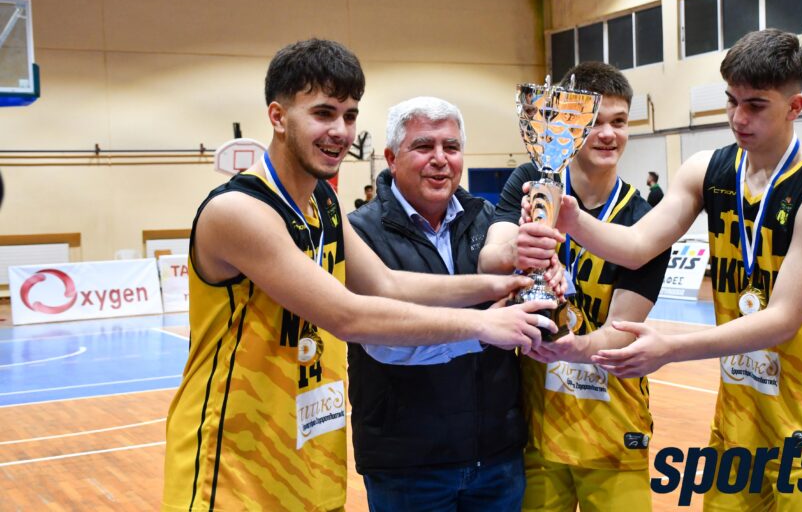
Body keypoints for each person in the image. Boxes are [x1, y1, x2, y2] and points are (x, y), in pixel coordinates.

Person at [161, 39, 554, 512]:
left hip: (309, 457)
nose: (340, 131)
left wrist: (502, 285)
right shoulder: (239, 211)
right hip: (232, 466)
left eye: (349, 116)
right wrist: (483, 324)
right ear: (278, 117)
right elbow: (348, 316)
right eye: (323, 113)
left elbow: (389, 284)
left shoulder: (323, 203)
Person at [532, 30, 802, 510]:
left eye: (755, 105)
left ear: (795, 107)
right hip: (740, 413)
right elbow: (637, 247)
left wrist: (670, 349)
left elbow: (781, 319)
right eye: (731, 101)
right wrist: (573, 219)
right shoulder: (707, 170)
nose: (738, 118)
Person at [479, 61, 671, 512]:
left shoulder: (643, 220)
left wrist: (571, 348)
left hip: (613, 429)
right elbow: (490, 260)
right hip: (538, 427)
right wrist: (518, 249)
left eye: (619, 122)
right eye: (595, 121)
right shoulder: (531, 183)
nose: (608, 134)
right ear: (568, 123)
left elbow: (621, 330)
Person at [347, 97, 528, 511]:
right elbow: (383, 340)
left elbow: (520, 299)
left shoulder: (489, 219)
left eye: (452, 147)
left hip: (498, 457)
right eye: (424, 146)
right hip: (408, 466)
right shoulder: (359, 234)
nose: (440, 159)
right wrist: (483, 331)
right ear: (391, 158)